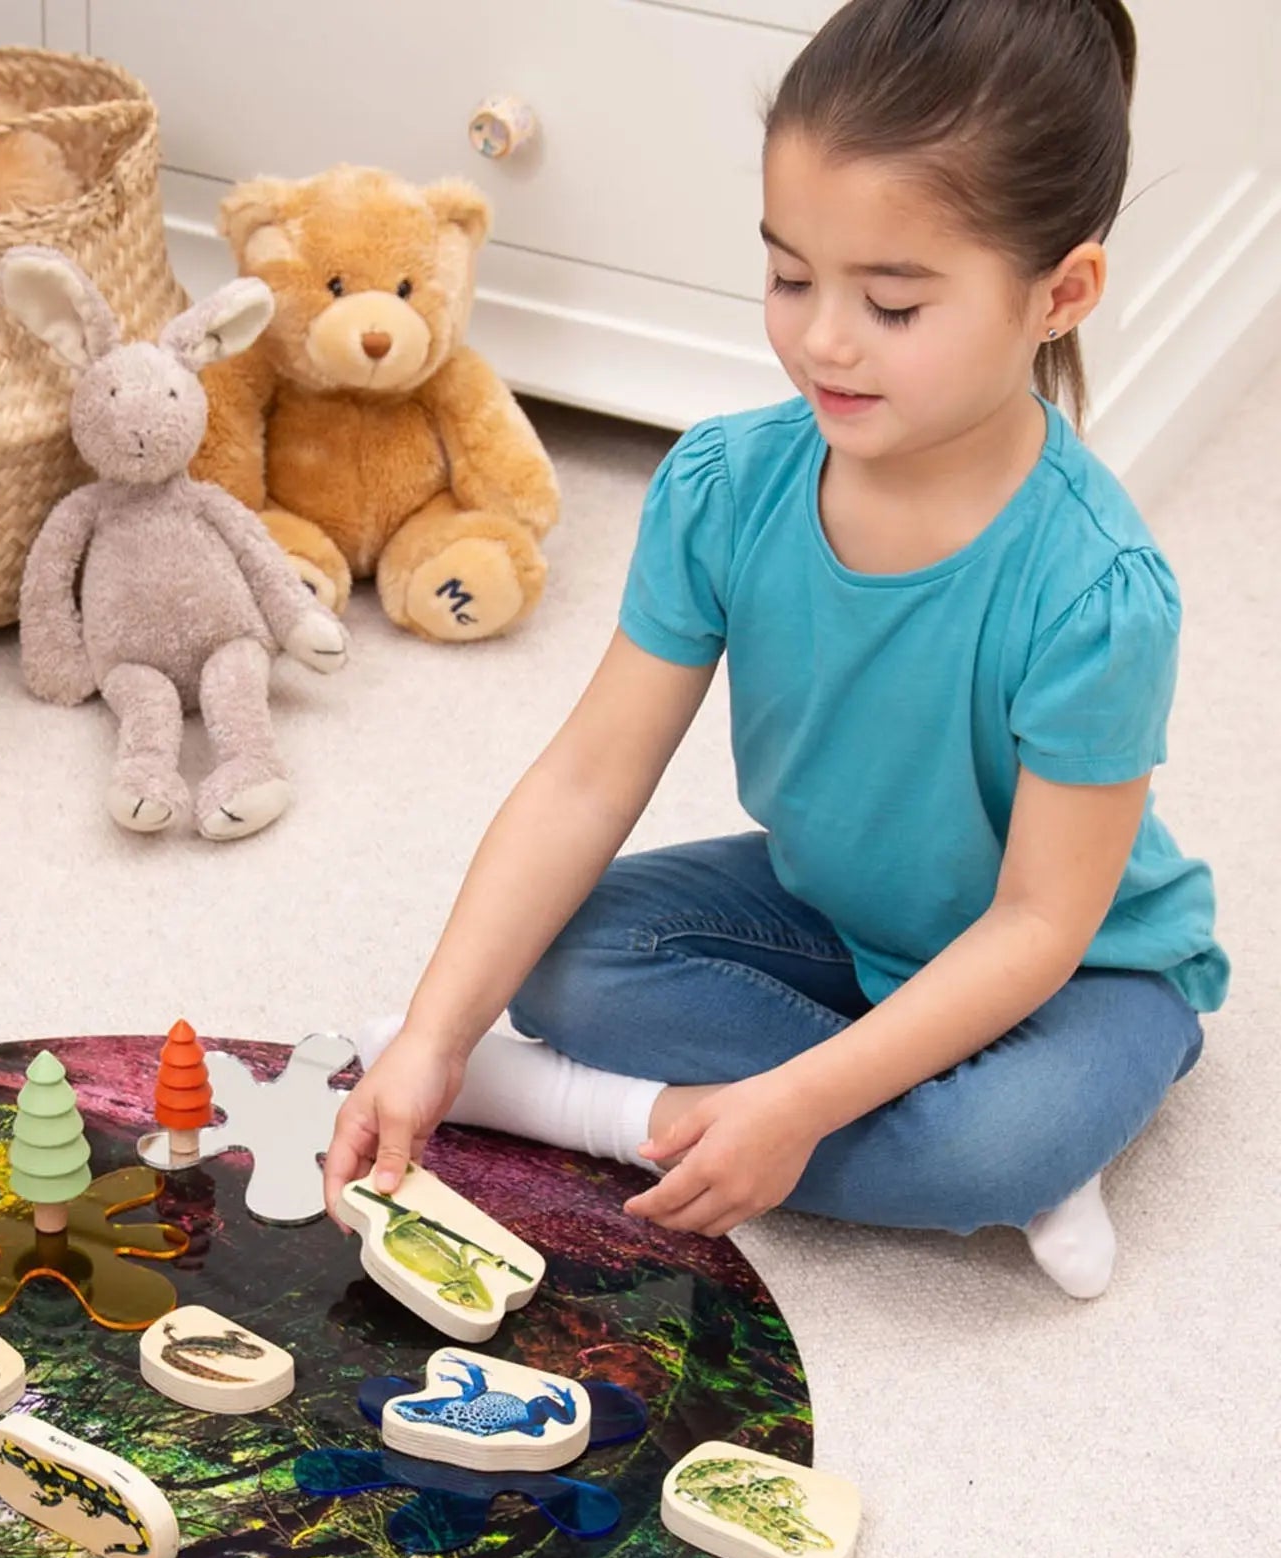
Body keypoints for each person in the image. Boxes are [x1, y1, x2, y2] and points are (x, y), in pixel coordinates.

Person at [322, 0, 1226, 1300]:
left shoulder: (1098, 591)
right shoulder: (723, 487)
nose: (822, 338)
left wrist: (793, 1101)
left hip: (1084, 969)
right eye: (791, 276)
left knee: (1000, 1139)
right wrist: (432, 1036)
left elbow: (1037, 923)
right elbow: (586, 779)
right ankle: (879, 1111)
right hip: (839, 912)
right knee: (565, 961)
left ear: (1060, 293)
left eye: (894, 302)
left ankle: (654, 1115)